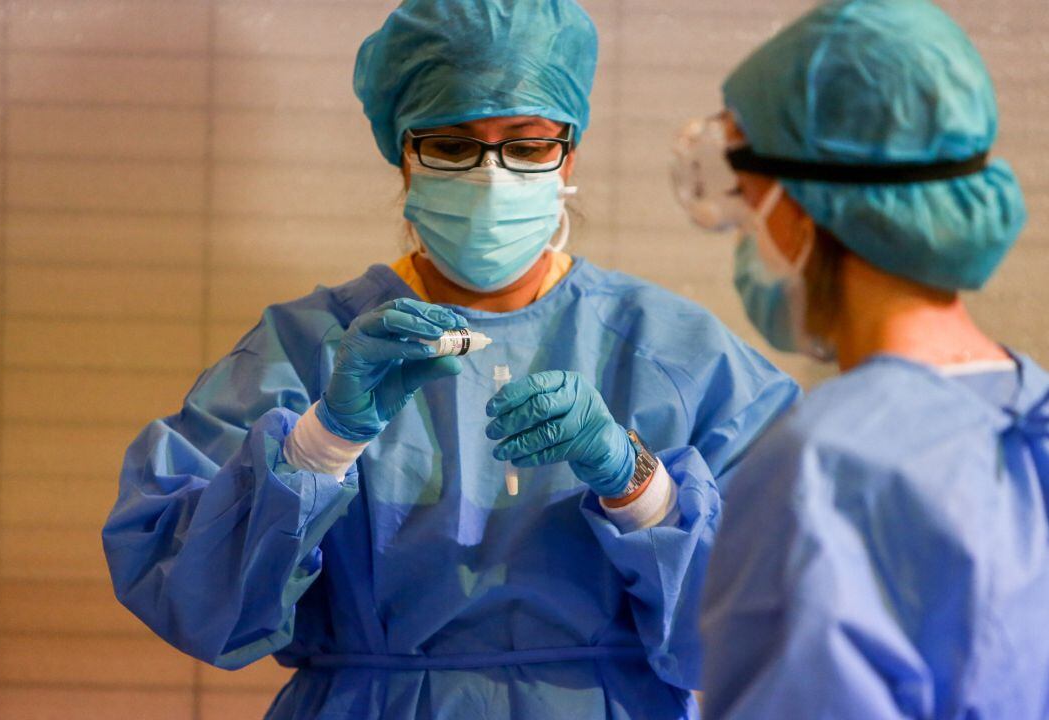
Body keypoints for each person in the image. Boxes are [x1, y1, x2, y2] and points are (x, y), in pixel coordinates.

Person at [102, 1, 799, 718]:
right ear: (405, 155)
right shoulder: (309, 349)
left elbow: (774, 613)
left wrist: (639, 485)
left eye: (528, 145)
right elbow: (188, 593)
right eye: (452, 145)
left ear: (569, 155)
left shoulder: (675, 353)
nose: (491, 175)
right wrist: (321, 443)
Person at [671, 1, 1049, 717]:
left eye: (747, 198)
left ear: (800, 208)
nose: (744, 229)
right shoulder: (1029, 413)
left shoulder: (825, 468)